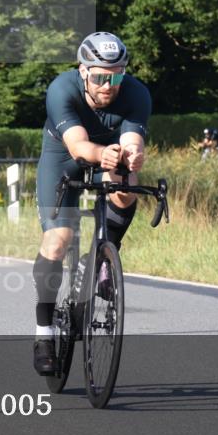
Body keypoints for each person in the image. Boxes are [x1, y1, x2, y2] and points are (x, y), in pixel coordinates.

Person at [32, 32, 151, 375]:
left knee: (126, 186)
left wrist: (133, 154)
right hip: (65, 157)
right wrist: (105, 155)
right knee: (58, 241)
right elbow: (78, 147)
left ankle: (102, 257)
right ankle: (44, 332)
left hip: (108, 156)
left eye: (117, 76)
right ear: (83, 71)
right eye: (100, 76)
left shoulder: (136, 93)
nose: (108, 85)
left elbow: (131, 139)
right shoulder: (61, 89)